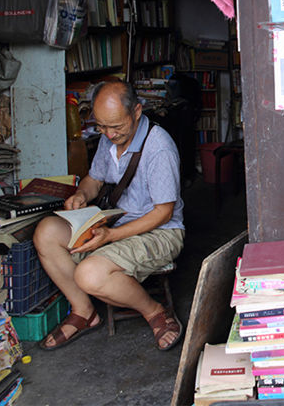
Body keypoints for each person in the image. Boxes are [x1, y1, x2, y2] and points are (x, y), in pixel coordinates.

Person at [34, 80, 186, 350]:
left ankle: (155, 312)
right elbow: (94, 179)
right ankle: (84, 312)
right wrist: (82, 194)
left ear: (137, 111)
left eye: (116, 126)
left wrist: (110, 236)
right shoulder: (109, 138)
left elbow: (164, 213)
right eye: (102, 126)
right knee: (46, 232)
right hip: (116, 220)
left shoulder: (159, 148)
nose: (109, 134)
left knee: (89, 274)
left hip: (160, 231)